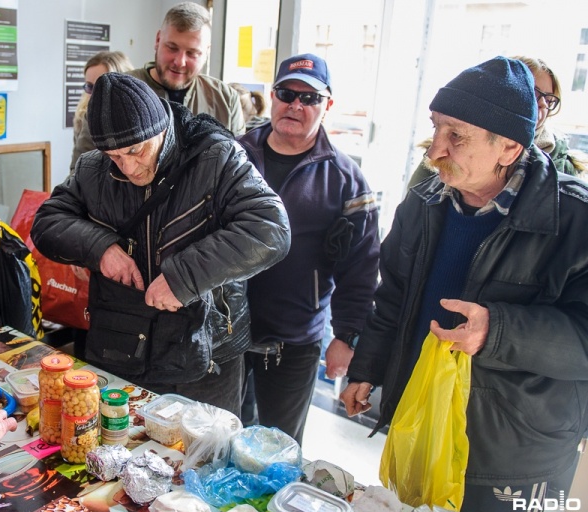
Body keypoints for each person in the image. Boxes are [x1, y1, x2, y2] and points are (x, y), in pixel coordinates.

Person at [340, 56, 588, 512]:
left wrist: (497, 331)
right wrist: (366, 368)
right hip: (421, 421)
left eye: (457, 136)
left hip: (512, 456)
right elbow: (392, 295)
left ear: (510, 146)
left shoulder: (575, 220)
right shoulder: (426, 199)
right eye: (436, 128)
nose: (436, 148)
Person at [32, 73, 290, 417]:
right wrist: (100, 248)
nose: (127, 166)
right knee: (117, 455)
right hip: (121, 345)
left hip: (205, 351)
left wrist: (184, 278)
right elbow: (47, 222)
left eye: (135, 150)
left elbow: (271, 228)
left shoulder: (217, 157)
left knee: (205, 461)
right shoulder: (93, 168)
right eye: (113, 155)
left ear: (161, 128)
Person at [237, 53, 380, 444]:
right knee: (221, 437)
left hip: (294, 340)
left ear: (327, 105)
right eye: (287, 93)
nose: (296, 105)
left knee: (278, 449)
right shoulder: (233, 156)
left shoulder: (347, 180)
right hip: (226, 328)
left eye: (310, 98)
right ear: (273, 96)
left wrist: (347, 336)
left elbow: (362, 269)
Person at [70, 2, 245, 171]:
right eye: (172, 47)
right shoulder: (115, 94)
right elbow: (81, 172)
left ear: (206, 52)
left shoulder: (226, 100)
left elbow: (238, 171)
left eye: (192, 53)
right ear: (158, 39)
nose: (180, 61)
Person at [408, 56, 587, 187]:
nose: (541, 104)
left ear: (510, 149)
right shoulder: (443, 152)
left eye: (549, 99)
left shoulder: (565, 169)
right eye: (533, 92)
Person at [70, 50, 134, 169]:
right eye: (89, 87)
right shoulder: (82, 116)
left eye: (101, 87)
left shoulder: (137, 119)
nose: (94, 94)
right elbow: (77, 167)